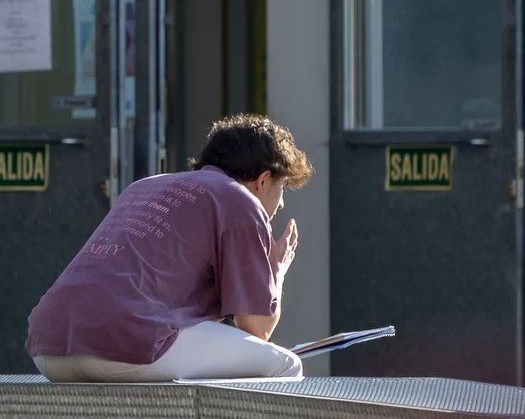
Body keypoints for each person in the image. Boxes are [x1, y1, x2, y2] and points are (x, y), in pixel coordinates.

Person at [26, 113, 311, 382]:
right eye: (282, 187)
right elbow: (257, 329)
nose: (282, 203)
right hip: (126, 346)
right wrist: (276, 271)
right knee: (284, 364)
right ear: (263, 180)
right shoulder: (241, 200)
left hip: (48, 348)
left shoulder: (143, 187)